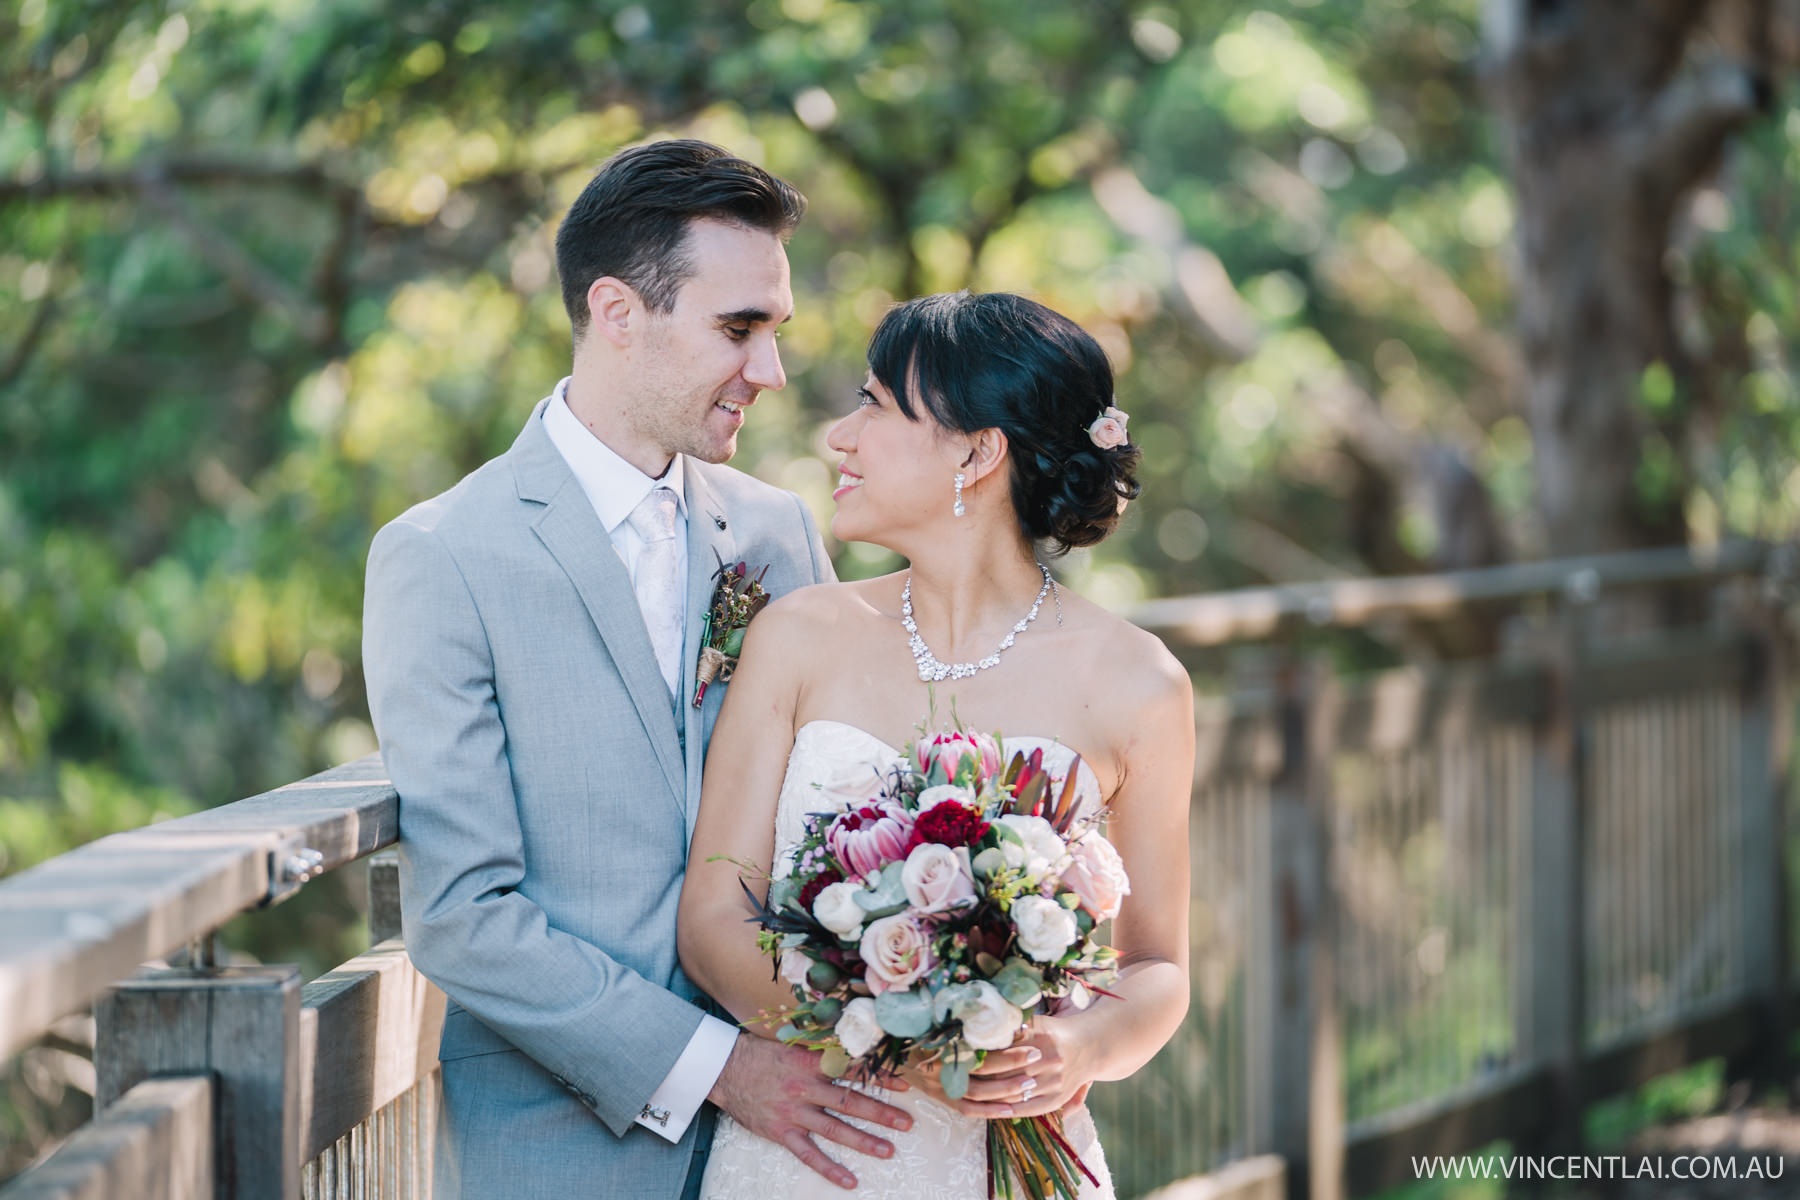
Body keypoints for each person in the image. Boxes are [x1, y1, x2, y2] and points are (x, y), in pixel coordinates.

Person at [362, 139, 910, 1200]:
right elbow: (466, 915)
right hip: (565, 1146)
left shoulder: (777, 533)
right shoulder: (444, 556)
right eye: (738, 329)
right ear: (616, 312)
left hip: (807, 1144)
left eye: (776, 332)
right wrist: (716, 1069)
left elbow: (843, 821)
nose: (772, 371)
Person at [679, 290, 1196, 1198]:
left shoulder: (1138, 682)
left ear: (976, 450)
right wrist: (892, 1034)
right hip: (813, 1146)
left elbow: (1158, 969)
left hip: (1014, 1149)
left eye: (874, 404)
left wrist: (1073, 1045)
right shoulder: (797, 636)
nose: (840, 437)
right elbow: (716, 923)